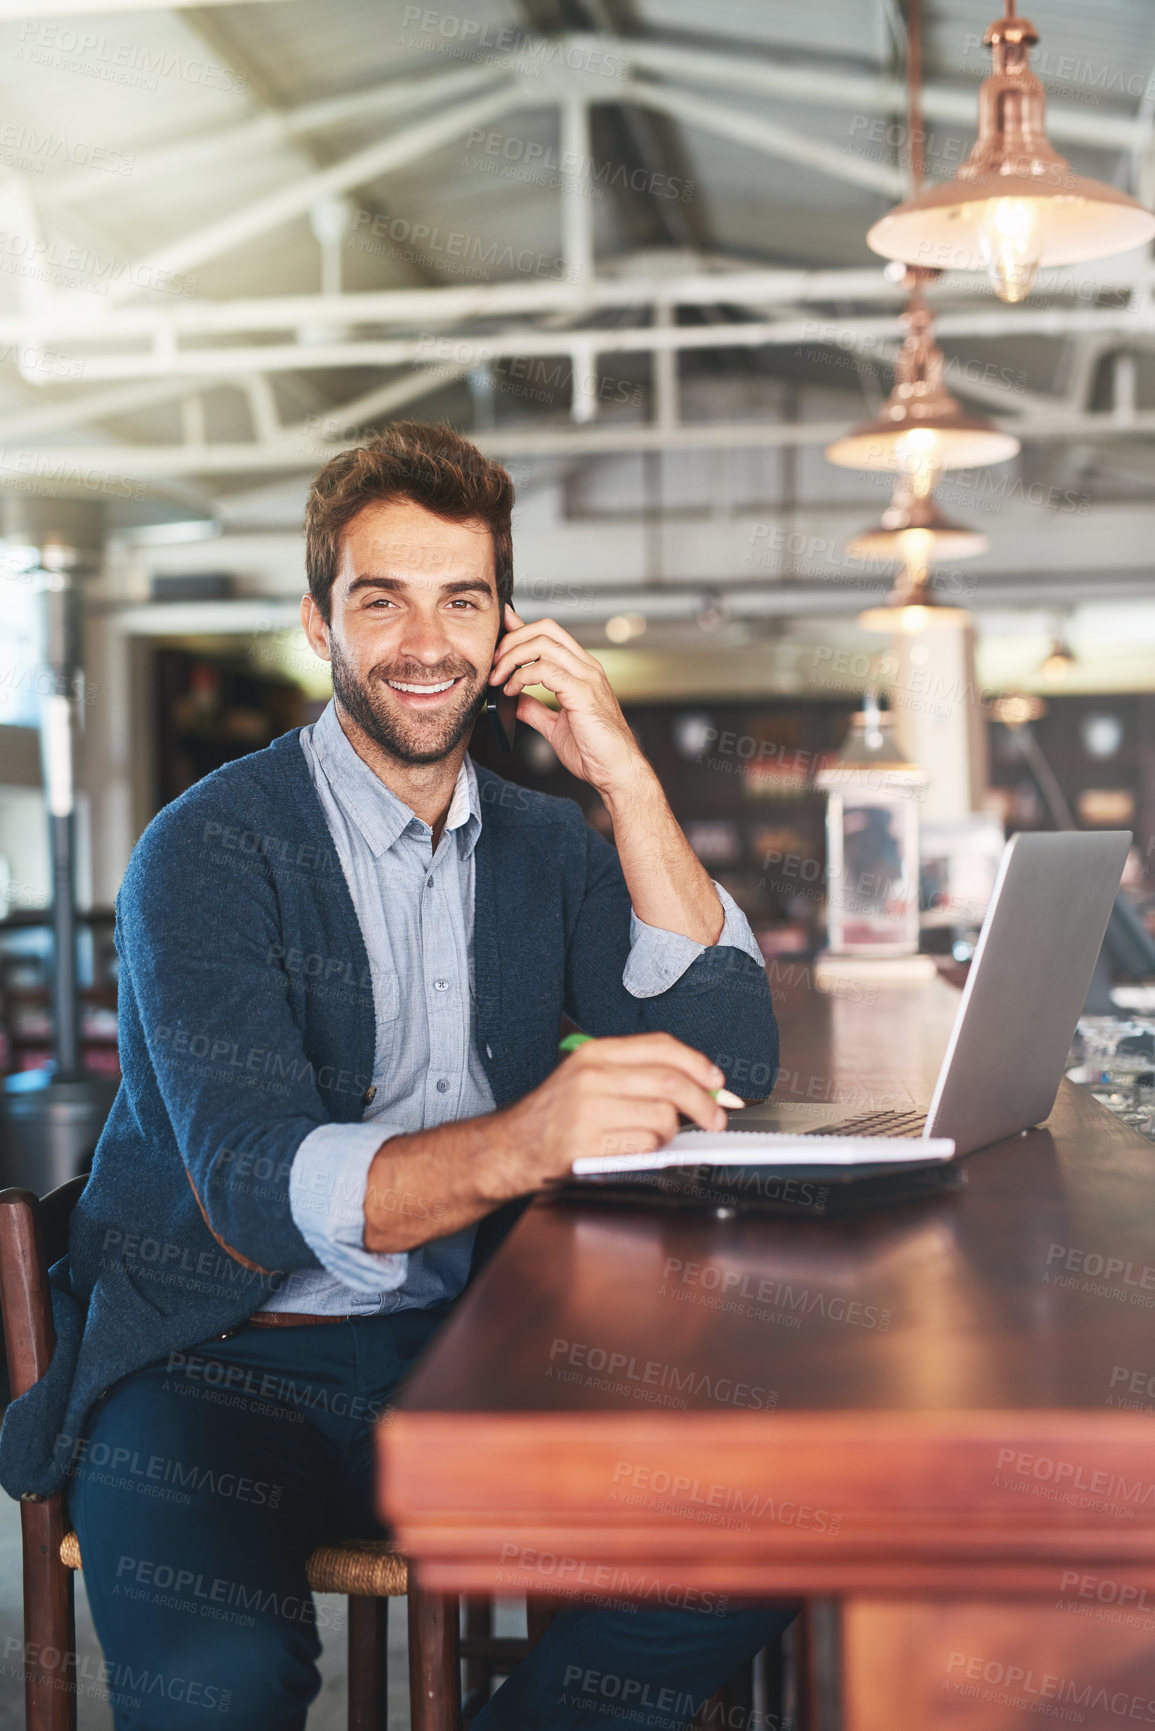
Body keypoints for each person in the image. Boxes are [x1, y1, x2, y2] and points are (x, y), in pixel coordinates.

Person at [0, 421, 788, 1729]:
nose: (427, 642)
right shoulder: (206, 851)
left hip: (459, 1356)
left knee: (749, 1539)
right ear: (320, 623)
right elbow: (253, 1185)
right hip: (207, 1364)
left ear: (507, 630)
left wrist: (621, 768)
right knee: (224, 1684)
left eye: (462, 600)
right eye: (384, 599)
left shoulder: (545, 846)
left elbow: (733, 1053)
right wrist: (526, 1142)